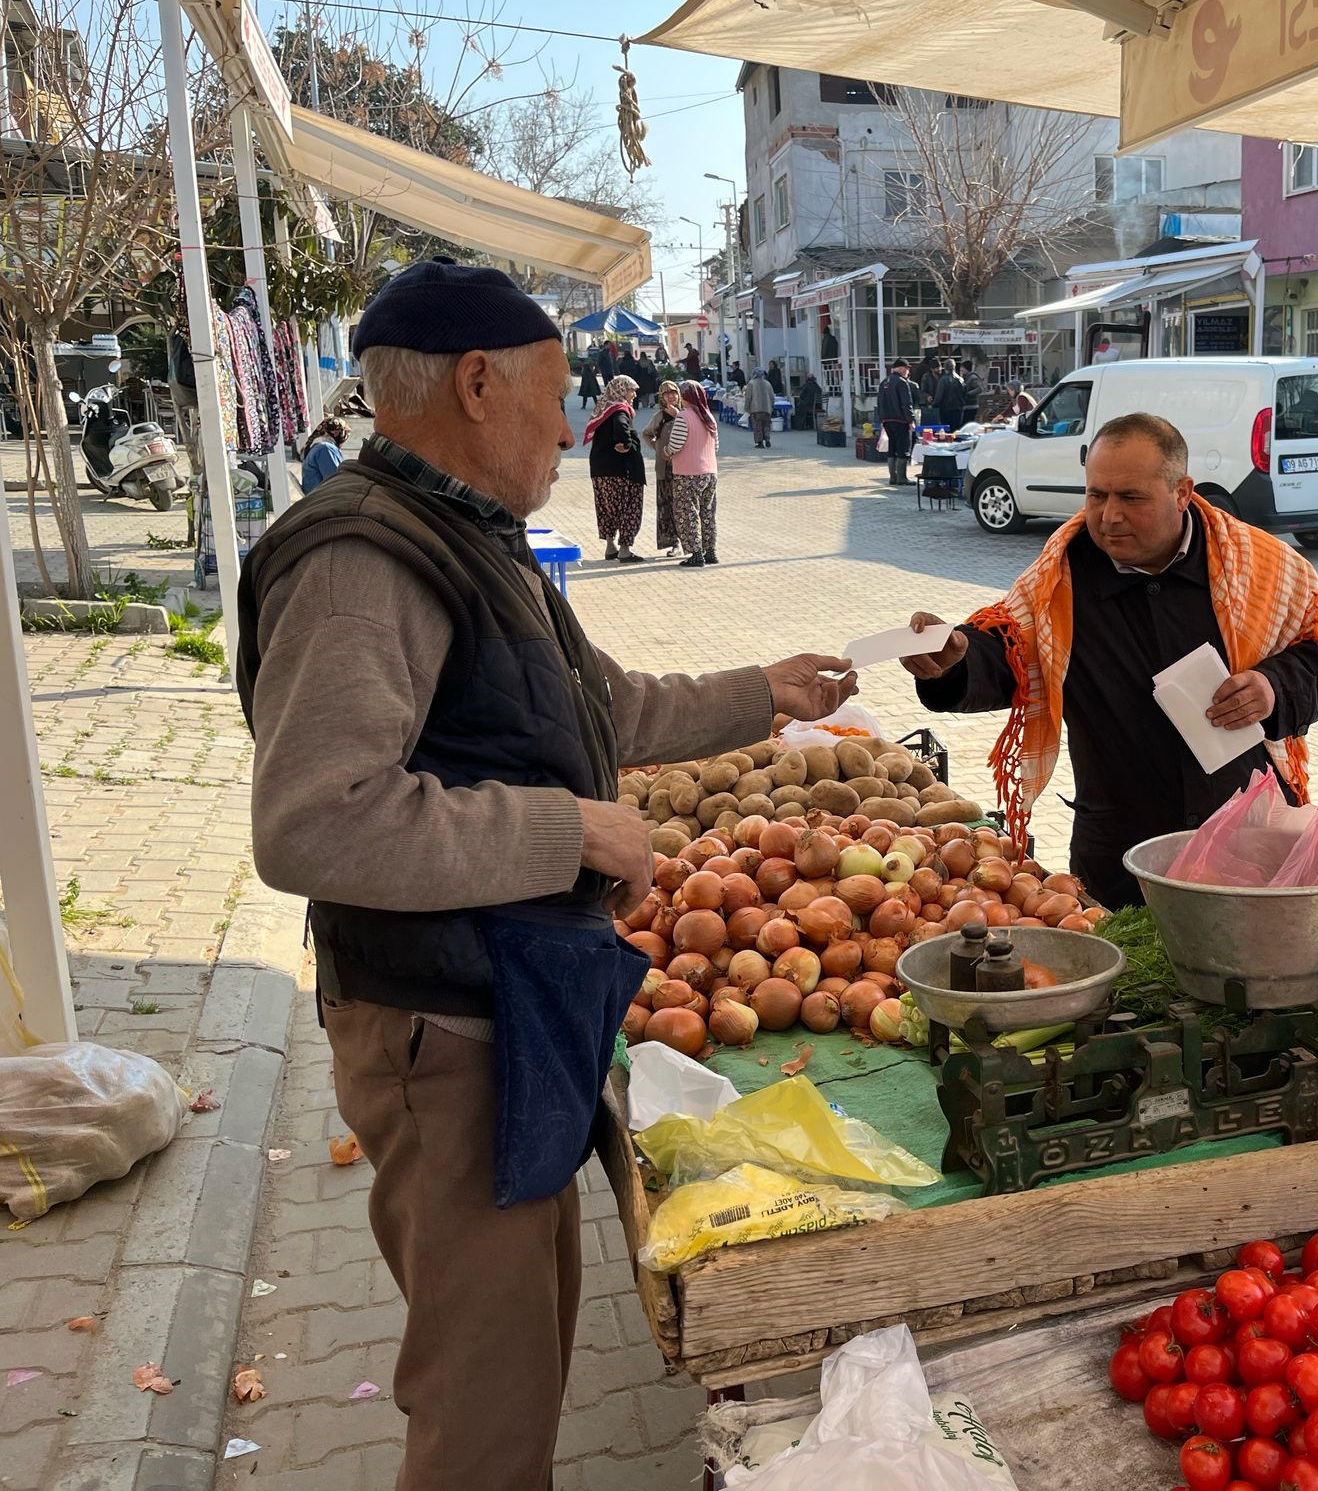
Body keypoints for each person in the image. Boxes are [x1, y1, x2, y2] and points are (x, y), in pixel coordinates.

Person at [232, 258, 856, 1491]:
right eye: (554, 393)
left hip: (500, 1010)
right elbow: (314, 821)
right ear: (475, 384)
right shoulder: (363, 561)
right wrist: (567, 832)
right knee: (485, 1399)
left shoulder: (465, 535)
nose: (573, 425)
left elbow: (594, 704)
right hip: (439, 1029)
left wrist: (757, 693)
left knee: (527, 1337)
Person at [904, 412, 1318, 909]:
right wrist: (955, 662)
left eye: (1131, 497)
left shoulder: (1257, 563)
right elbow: (1007, 651)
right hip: (1121, 849)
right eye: (1096, 495)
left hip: (1246, 831)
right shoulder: (1061, 578)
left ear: (1182, 492)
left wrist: (1274, 687)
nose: (1108, 515)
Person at [584, 375, 645, 561]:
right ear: (621, 391)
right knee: (628, 507)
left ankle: (610, 547)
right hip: (622, 470)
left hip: (600, 469)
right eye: (631, 390)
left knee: (606, 508)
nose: (634, 394)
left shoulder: (603, 409)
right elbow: (621, 427)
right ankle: (625, 550)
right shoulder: (620, 410)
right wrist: (625, 443)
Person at [663, 379, 720, 568]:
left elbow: (676, 444)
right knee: (708, 512)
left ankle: (696, 553)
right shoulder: (709, 417)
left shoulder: (683, 417)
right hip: (710, 472)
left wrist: (667, 452)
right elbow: (716, 446)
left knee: (688, 513)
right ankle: (710, 550)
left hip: (688, 473)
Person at [644, 381, 684, 556]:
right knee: (667, 506)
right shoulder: (659, 416)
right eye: (666, 394)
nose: (671, 397)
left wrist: (679, 416)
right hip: (664, 469)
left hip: (683, 468)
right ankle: (674, 542)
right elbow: (646, 433)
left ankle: (687, 541)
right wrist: (657, 447)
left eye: (673, 393)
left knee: (682, 506)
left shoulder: (686, 415)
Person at [877, 357, 918, 486]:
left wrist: (882, 419)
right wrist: (911, 420)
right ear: (900, 368)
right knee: (903, 448)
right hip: (900, 420)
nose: (908, 371)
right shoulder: (901, 382)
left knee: (892, 448)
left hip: (887, 420)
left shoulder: (884, 382)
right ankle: (902, 477)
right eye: (906, 368)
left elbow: (879, 403)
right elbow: (906, 404)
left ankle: (893, 477)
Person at [298, 417, 349, 494]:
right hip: (321, 497)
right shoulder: (325, 449)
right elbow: (335, 480)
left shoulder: (320, 445)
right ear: (338, 433)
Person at [933, 358, 968, 432]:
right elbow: (965, 394)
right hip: (958, 408)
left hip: (946, 409)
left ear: (945, 368)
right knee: (956, 431)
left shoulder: (943, 380)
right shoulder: (960, 379)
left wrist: (934, 404)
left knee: (947, 431)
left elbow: (939, 396)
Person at [744, 368, 775, 448]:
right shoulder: (767, 383)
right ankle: (767, 440)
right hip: (767, 408)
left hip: (755, 408)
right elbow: (772, 396)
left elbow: (748, 397)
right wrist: (772, 405)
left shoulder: (751, 383)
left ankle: (760, 442)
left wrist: (746, 407)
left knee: (757, 425)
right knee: (766, 425)